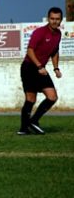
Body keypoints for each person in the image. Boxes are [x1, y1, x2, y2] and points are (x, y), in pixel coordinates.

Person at [18, 7, 63, 135]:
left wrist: (56, 68)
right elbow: (30, 51)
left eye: (57, 19)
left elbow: (54, 52)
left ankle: (33, 121)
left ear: (60, 20)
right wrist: (39, 66)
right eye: (52, 19)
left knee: (52, 97)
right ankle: (23, 128)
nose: (55, 21)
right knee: (31, 99)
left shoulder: (58, 34)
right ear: (48, 19)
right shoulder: (40, 32)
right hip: (29, 67)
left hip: (41, 69)